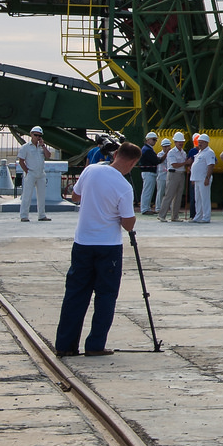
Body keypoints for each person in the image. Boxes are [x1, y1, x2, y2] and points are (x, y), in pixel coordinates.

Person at [54, 140, 140, 356]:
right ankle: (95, 345)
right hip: (108, 246)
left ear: (116, 154)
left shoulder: (91, 170)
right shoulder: (124, 186)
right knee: (105, 296)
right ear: (133, 163)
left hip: (82, 242)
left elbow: (75, 196)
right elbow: (127, 223)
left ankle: (65, 345)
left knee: (75, 294)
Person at [16, 126, 54, 222]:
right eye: (36, 135)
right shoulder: (25, 147)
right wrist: (27, 171)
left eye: (39, 135)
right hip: (31, 173)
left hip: (41, 173)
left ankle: (42, 215)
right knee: (27, 195)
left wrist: (43, 146)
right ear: (31, 134)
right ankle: (24, 215)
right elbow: (21, 161)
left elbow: (48, 156)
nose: (38, 137)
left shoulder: (41, 147)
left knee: (41, 195)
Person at [160, 134, 190, 222]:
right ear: (175, 142)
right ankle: (162, 215)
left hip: (181, 174)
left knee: (178, 196)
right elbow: (174, 165)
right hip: (173, 174)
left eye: (182, 142)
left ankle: (175, 216)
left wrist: (187, 165)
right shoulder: (172, 152)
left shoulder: (183, 152)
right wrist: (185, 163)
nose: (181, 143)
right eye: (179, 142)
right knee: (169, 195)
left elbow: (183, 164)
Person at [188, 134, 216, 223]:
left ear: (206, 143)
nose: (199, 144)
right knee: (198, 199)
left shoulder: (209, 152)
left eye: (201, 142)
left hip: (204, 179)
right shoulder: (200, 152)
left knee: (205, 198)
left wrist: (207, 177)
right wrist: (193, 179)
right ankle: (198, 216)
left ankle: (206, 217)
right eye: (199, 142)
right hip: (197, 179)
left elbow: (211, 165)